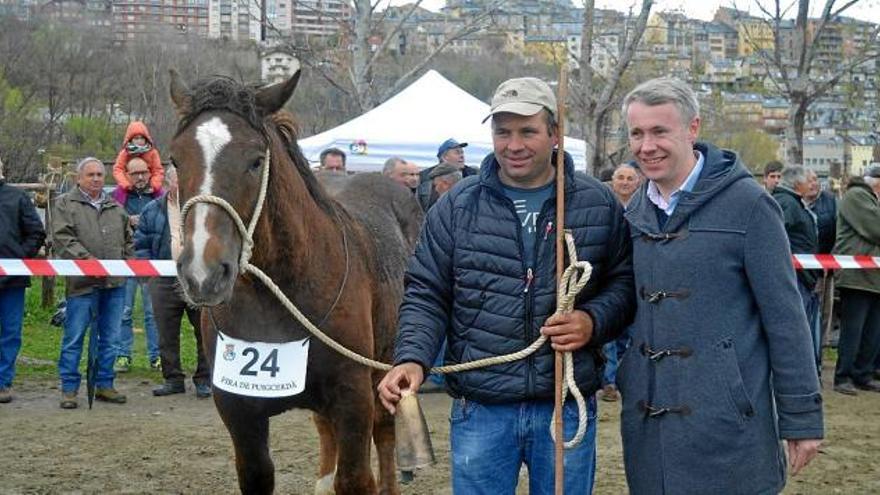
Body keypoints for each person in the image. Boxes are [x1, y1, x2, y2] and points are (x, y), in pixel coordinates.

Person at [378, 77, 635, 493]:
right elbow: (427, 293)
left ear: (554, 133)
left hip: (564, 404)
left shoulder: (595, 202)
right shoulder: (456, 206)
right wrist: (412, 357)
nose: (513, 145)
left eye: (527, 131)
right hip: (481, 408)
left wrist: (592, 321)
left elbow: (623, 284)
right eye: (503, 132)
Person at [619, 77, 823, 493]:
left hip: (729, 426)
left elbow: (786, 318)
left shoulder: (750, 205)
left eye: (660, 131)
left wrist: (801, 417)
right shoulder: (635, 209)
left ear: (693, 129)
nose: (646, 146)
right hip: (649, 425)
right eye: (636, 133)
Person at [52, 157, 133, 409]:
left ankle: (104, 384)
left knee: (110, 338)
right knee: (74, 337)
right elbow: (63, 238)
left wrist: (127, 264)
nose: (97, 178)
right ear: (79, 178)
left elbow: (128, 241)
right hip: (81, 285)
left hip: (114, 286)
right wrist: (89, 262)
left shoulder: (116, 208)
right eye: (91, 175)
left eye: (100, 174)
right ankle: (69, 389)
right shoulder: (65, 204)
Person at [134, 167, 211, 398]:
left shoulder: (203, 209)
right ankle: (173, 379)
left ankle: (204, 379)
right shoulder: (151, 210)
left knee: (203, 331)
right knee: (166, 332)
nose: (186, 185)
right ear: (168, 184)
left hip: (198, 278)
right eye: (180, 181)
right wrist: (149, 274)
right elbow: (141, 244)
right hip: (163, 279)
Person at [0, 156, 47, 403]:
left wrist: (19, 257)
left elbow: (37, 232)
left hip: (12, 281)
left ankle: (3, 382)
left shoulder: (17, 198)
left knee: (9, 333)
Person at [831, 165, 880, 395]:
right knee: (854, 329)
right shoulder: (857, 196)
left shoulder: (870, 198)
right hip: (856, 276)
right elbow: (875, 228)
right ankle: (843, 376)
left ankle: (863, 373)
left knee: (872, 330)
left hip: (873, 277)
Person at [112, 156, 163, 372]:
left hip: (150, 262)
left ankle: (156, 356)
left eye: (144, 172)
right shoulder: (117, 197)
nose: (140, 177)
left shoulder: (159, 197)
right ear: (127, 175)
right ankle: (123, 355)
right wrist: (127, 219)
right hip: (126, 262)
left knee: (152, 313)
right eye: (135, 173)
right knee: (124, 311)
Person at [773, 165, 821, 375]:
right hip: (796, 277)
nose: (813, 184)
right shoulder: (788, 204)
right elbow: (776, 237)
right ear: (796, 183)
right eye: (809, 180)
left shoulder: (793, 203)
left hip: (803, 275)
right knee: (796, 328)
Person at [600, 162, 642, 402]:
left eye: (630, 178)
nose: (625, 182)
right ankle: (609, 381)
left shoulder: (644, 207)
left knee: (632, 333)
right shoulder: (604, 205)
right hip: (609, 276)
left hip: (636, 277)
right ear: (613, 181)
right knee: (609, 336)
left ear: (637, 183)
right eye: (621, 178)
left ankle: (626, 378)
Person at [416, 138, 478, 210]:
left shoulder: (473, 175)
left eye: (462, 152)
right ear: (444, 157)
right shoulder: (425, 176)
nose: (462, 156)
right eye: (457, 152)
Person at [112, 121, 164, 193]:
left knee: (160, 193)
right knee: (119, 193)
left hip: (148, 184)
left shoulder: (152, 153)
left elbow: (157, 170)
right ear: (131, 140)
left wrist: (154, 185)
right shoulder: (125, 153)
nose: (139, 141)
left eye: (142, 138)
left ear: (146, 139)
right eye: (136, 138)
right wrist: (126, 184)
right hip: (130, 183)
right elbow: (118, 169)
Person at [805, 169, 837, 254]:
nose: (813, 184)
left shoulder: (831, 200)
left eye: (815, 179)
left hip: (826, 257)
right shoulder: (794, 202)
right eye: (808, 181)